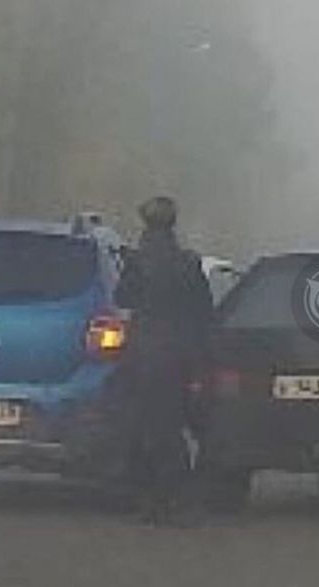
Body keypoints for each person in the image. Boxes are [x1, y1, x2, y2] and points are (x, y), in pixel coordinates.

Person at [114, 196, 214, 525]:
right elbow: (204, 311)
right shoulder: (188, 263)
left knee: (147, 426)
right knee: (171, 426)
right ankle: (173, 497)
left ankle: (156, 498)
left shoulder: (138, 261)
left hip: (144, 355)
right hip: (180, 357)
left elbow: (122, 297)